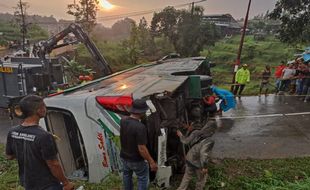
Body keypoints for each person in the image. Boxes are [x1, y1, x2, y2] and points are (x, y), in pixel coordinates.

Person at [5, 95, 74, 190]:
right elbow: (53, 164)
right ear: (39, 110)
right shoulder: (44, 136)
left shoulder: (12, 131)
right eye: (44, 106)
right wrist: (66, 183)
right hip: (47, 185)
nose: (45, 108)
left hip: (28, 182)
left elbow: (9, 156)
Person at [120, 99, 158, 190]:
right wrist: (151, 162)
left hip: (124, 157)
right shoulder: (140, 127)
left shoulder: (123, 121)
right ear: (142, 112)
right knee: (142, 178)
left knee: (126, 176)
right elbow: (142, 148)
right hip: (136, 160)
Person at [176, 121, 216, 190]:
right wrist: (205, 167)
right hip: (198, 163)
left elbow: (186, 141)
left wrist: (181, 135)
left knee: (187, 176)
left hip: (189, 158)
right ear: (213, 130)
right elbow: (204, 154)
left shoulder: (196, 132)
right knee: (201, 180)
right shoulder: (210, 140)